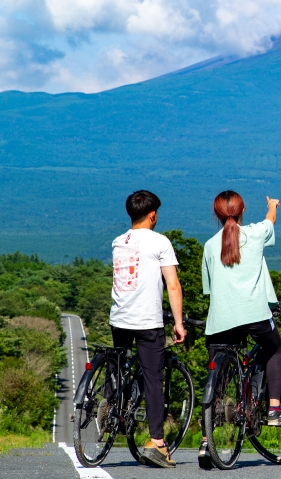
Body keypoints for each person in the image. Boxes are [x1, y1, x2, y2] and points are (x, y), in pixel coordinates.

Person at [198, 190, 281, 469]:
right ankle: (274, 407)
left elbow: (209, 288)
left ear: (216, 214)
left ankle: (205, 440)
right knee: (274, 348)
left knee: (217, 374)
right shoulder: (256, 233)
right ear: (242, 210)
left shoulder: (210, 246)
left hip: (220, 320)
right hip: (255, 315)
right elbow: (270, 220)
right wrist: (272, 205)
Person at [109, 190, 186, 469]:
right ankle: (156, 442)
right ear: (153, 215)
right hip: (147, 321)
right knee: (153, 379)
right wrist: (178, 323)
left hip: (118, 318)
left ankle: (113, 405)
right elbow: (173, 285)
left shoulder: (118, 241)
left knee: (121, 364)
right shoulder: (160, 241)